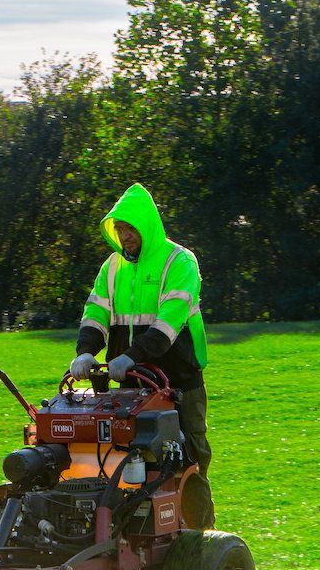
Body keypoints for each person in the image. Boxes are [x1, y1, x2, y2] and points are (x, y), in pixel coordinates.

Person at [68, 183, 215, 529]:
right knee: (121, 460)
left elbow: (168, 324)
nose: (124, 236)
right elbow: (96, 313)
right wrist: (86, 352)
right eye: (119, 229)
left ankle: (199, 539)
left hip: (178, 384)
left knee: (187, 460)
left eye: (130, 229)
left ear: (146, 226)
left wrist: (131, 356)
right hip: (128, 389)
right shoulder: (113, 267)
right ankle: (132, 535)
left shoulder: (179, 262)